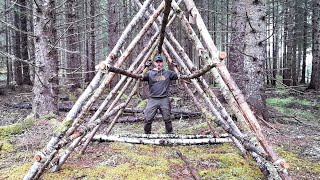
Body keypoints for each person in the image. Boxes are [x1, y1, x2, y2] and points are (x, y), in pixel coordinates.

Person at [141, 54, 178, 134]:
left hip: (164, 99)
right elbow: (140, 77)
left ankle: (169, 134)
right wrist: (144, 67)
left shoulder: (168, 73)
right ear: (154, 63)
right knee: (148, 118)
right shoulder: (150, 73)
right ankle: (147, 134)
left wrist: (175, 67)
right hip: (153, 99)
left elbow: (178, 76)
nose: (159, 63)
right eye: (157, 62)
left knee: (167, 118)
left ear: (163, 63)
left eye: (160, 62)